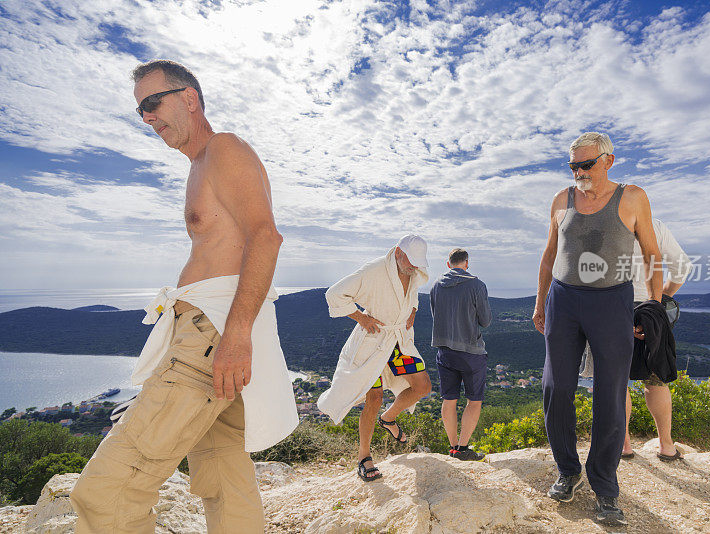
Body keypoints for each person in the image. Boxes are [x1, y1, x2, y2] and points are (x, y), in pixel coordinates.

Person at [70, 60, 298, 533]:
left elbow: (266, 236)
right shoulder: (201, 165)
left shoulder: (224, 149)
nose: (148, 117)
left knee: (105, 492)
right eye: (140, 112)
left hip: (211, 339)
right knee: (222, 473)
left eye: (153, 103)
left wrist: (235, 335)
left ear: (189, 97)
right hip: (212, 337)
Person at [532, 132, 663, 526]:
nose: (578, 172)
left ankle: (605, 487)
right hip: (564, 300)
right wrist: (540, 303)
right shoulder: (562, 199)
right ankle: (568, 471)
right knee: (556, 388)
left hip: (613, 302)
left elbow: (652, 253)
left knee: (610, 393)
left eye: (586, 164)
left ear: (608, 160)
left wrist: (654, 305)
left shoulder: (633, 197)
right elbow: (550, 253)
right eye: (573, 166)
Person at [317, 235, 433, 482]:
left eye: (417, 263)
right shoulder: (374, 270)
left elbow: (413, 295)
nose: (413, 267)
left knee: (423, 387)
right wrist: (361, 318)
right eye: (411, 261)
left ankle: (388, 418)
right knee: (374, 398)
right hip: (375, 341)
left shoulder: (411, 270)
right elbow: (334, 294)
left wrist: (412, 311)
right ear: (399, 252)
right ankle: (364, 456)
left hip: (399, 340)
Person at [579, 219, 692, 461]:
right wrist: (660, 300)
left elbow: (590, 277)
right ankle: (667, 446)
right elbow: (683, 267)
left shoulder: (598, 226)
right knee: (657, 380)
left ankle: (624, 445)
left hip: (610, 307)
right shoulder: (656, 226)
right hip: (650, 306)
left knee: (616, 382)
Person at [429, 248, 492, 461]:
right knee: (473, 401)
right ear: (467, 263)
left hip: (445, 351)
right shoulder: (477, 285)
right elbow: (486, 320)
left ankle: (453, 446)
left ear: (448, 264)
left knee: (449, 400)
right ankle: (464, 449)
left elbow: (436, 315)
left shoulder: (436, 285)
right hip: (472, 352)